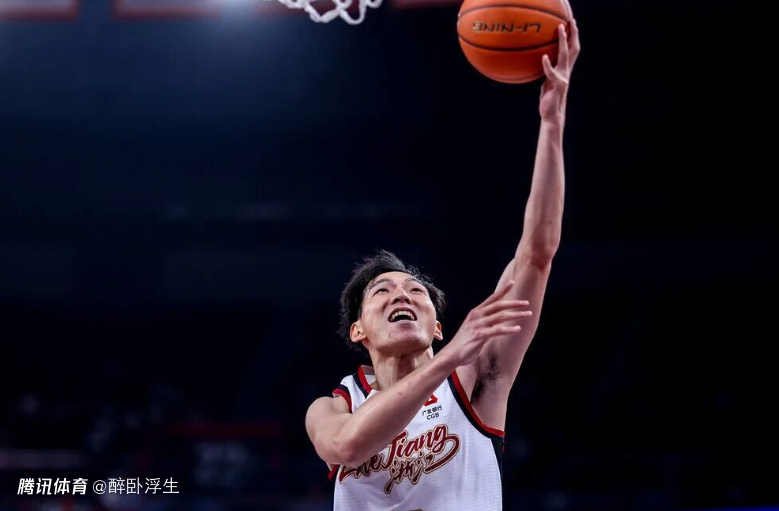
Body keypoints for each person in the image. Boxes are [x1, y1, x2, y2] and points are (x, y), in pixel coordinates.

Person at [305, 18, 581, 511]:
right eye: (382, 291)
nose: (402, 294)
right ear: (358, 331)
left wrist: (552, 122)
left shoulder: (474, 377)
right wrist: (451, 355)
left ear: (436, 326)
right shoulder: (333, 406)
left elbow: (536, 253)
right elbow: (346, 448)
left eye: (416, 291)